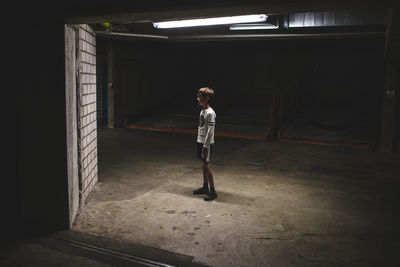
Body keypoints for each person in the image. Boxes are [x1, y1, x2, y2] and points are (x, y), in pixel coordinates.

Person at [193, 87, 217, 201]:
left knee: (205, 166)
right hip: (201, 141)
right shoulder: (202, 111)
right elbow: (202, 128)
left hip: (206, 143)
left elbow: (210, 131)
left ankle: (213, 190)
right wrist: (199, 141)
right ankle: (205, 186)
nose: (197, 99)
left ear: (206, 99)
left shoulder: (211, 113)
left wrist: (206, 146)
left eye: (200, 97)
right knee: (203, 165)